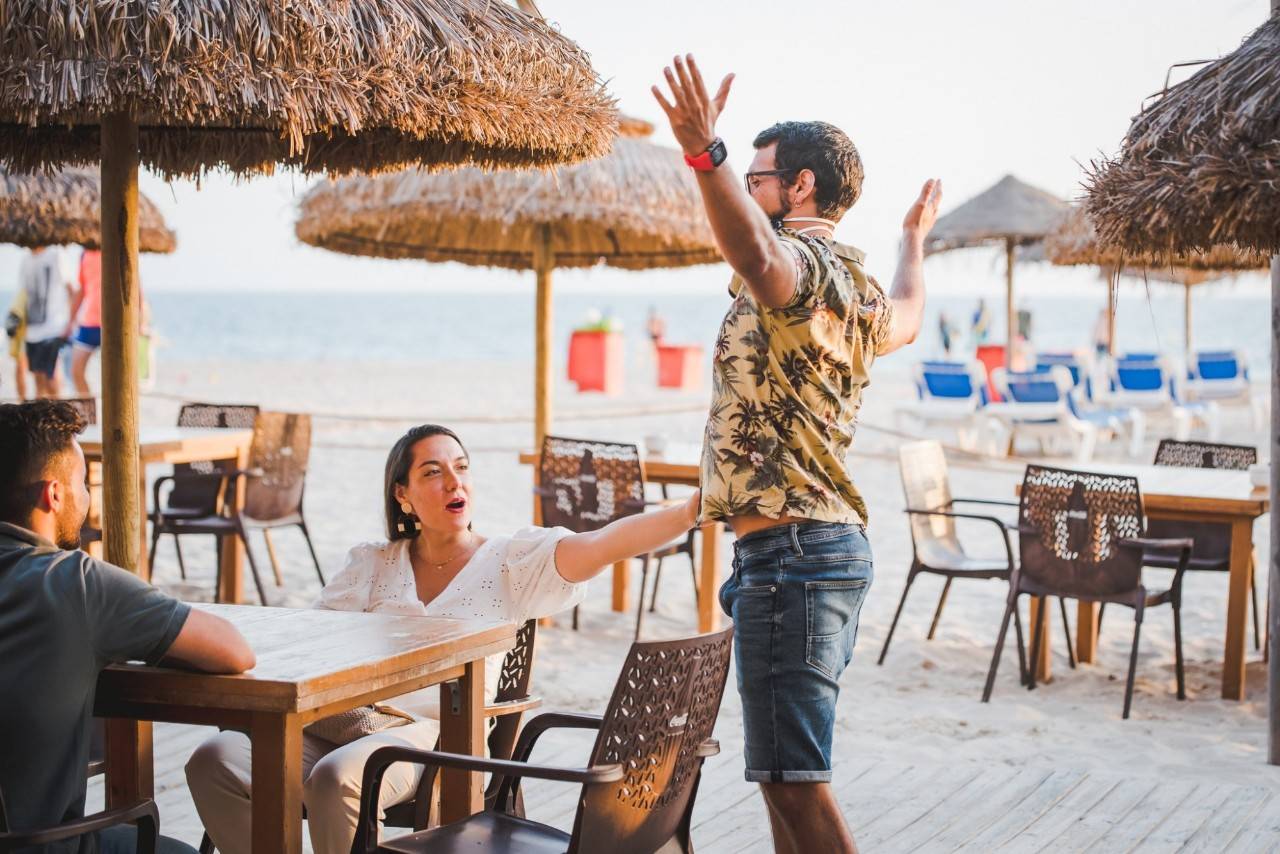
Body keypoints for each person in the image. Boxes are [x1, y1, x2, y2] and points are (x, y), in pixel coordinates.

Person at [652, 55, 940, 853]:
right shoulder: (863, 288)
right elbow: (911, 314)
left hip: (794, 555)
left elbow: (757, 258)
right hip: (808, 552)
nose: (747, 190)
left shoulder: (807, 272)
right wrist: (913, 241)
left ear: (801, 187)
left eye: (757, 178)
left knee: (793, 783)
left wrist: (704, 156)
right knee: (783, 778)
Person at [186, 424, 700, 854]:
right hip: (344, 722)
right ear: (403, 495)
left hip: (431, 737)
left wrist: (688, 511)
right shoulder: (372, 563)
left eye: (460, 467)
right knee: (214, 759)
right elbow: (315, 645)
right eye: (432, 472)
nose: (453, 481)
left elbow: (604, 543)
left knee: (337, 777)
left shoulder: (512, 560)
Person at [0, 400, 256, 854]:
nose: (87, 496)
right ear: (53, 494)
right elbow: (233, 651)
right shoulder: (73, 582)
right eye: (83, 482)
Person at [18, 246, 78, 398]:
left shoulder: (56, 254)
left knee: (53, 382)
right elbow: (23, 296)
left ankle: (59, 420)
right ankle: (43, 421)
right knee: (39, 384)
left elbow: (72, 289)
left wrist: (71, 323)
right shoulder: (26, 260)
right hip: (31, 332)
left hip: (54, 330)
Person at [69, 248, 102, 396]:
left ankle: (115, 416)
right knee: (76, 371)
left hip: (113, 324)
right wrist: (70, 321)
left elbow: (135, 284)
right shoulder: (84, 254)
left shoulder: (115, 248)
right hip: (89, 323)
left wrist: (140, 320)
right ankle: (91, 416)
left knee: (114, 374)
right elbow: (82, 289)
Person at [5, 286, 30, 400]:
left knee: (46, 374)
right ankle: (23, 401)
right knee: (21, 369)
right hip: (25, 334)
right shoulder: (25, 291)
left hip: (39, 333)